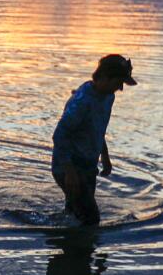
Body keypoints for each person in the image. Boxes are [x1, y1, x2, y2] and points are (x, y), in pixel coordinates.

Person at [52, 53, 137, 226]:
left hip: (88, 165)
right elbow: (60, 135)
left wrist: (105, 157)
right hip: (69, 166)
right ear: (104, 77)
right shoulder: (82, 102)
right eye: (118, 82)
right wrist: (69, 171)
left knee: (75, 215)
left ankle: (68, 247)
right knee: (91, 219)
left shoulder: (108, 97)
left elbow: (98, 129)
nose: (120, 88)